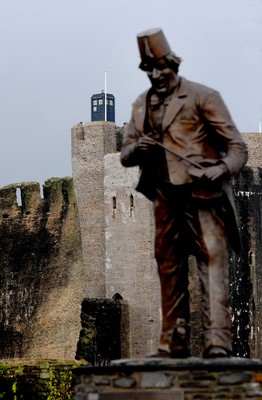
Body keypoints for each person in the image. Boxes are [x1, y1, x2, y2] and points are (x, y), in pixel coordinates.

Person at [120, 28, 248, 358]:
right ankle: (173, 340)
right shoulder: (140, 105)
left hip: (203, 195)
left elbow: (236, 148)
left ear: (173, 64)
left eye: (160, 67)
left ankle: (217, 342)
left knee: (212, 261)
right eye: (149, 69)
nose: (155, 74)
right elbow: (125, 154)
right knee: (168, 264)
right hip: (164, 197)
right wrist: (140, 148)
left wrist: (219, 170)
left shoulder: (203, 96)